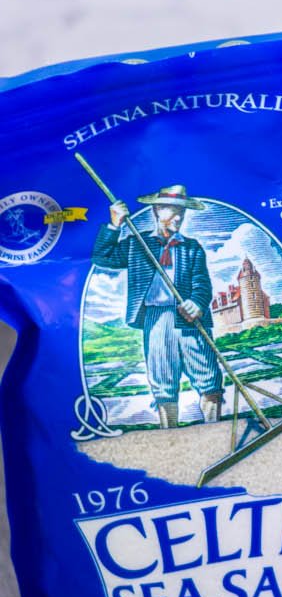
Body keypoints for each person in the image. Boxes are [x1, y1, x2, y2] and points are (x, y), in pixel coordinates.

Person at [91, 184, 223, 430]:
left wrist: (197, 303)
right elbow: (102, 257)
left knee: (208, 376)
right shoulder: (136, 244)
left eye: (181, 212)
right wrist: (115, 224)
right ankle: (169, 436)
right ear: (157, 211)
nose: (178, 217)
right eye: (172, 211)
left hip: (190, 320)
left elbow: (202, 284)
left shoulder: (192, 247)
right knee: (163, 379)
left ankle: (215, 430)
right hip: (156, 318)